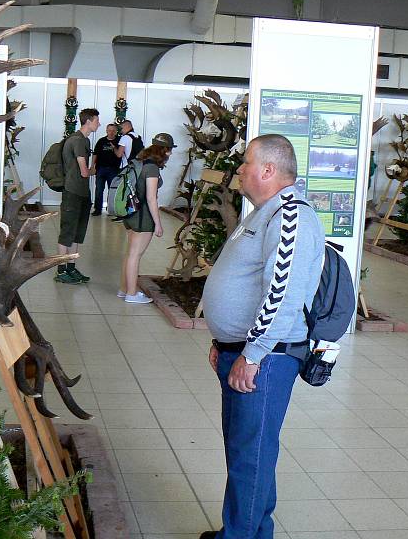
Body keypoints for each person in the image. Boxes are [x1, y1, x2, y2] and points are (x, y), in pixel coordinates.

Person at [198, 134, 325, 539]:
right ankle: (250, 532)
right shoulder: (263, 212)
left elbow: (281, 294)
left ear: (268, 170)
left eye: (246, 163)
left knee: (250, 456)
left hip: (267, 361)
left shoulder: (291, 216)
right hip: (243, 353)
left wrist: (251, 354)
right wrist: (224, 344)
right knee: (247, 453)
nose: (239, 170)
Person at [118, 132, 176, 304]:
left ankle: (124, 289)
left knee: (130, 254)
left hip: (130, 213)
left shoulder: (139, 160)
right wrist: (158, 224)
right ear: (163, 150)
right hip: (142, 217)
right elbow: (151, 197)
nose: (170, 154)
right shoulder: (151, 167)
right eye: (170, 150)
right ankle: (131, 293)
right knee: (135, 255)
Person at [55, 108, 99, 284]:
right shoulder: (78, 141)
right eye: (97, 120)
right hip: (73, 192)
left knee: (76, 233)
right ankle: (61, 270)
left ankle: (71, 268)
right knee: (67, 233)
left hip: (81, 193)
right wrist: (95, 168)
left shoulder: (83, 140)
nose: (99, 124)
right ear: (88, 121)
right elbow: (84, 171)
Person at [91, 123, 121, 216]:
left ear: (116, 132)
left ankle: (111, 210)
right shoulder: (101, 141)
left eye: (113, 130)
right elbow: (95, 154)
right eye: (109, 130)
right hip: (101, 169)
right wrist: (92, 166)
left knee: (113, 190)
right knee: (99, 189)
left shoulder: (120, 141)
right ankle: (97, 209)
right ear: (106, 131)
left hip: (114, 170)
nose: (111, 132)